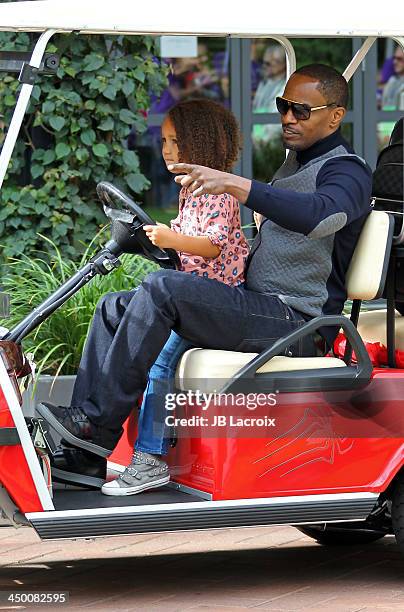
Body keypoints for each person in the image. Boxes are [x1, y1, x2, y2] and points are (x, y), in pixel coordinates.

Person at [38, 64, 373, 494]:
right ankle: (87, 452)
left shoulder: (348, 171)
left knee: (162, 290)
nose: (289, 117)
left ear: (336, 115)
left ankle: (93, 423)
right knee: (112, 307)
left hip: (298, 321)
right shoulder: (292, 166)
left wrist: (236, 184)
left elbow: (318, 217)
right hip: (257, 303)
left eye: (302, 110)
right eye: (283, 106)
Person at [252, 44, 286, 143]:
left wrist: (261, 141)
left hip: (268, 143)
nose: (266, 66)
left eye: (271, 63)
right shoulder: (264, 83)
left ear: (283, 64)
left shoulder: (284, 87)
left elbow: (275, 123)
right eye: (265, 63)